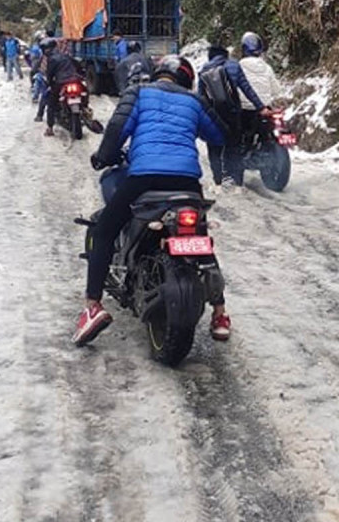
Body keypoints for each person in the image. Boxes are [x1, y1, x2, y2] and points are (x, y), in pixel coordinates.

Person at [75, 54, 233, 346]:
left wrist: (104, 157)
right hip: (186, 183)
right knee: (200, 240)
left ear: (157, 73)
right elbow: (219, 135)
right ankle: (220, 313)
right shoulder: (194, 101)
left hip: (144, 178)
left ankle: (93, 307)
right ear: (186, 79)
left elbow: (117, 130)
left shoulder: (139, 93)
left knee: (104, 230)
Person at [199, 43, 266, 188]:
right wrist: (260, 107)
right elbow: (247, 89)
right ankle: (237, 181)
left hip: (213, 114)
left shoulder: (205, 69)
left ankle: (218, 180)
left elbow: (201, 97)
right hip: (233, 113)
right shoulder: (234, 66)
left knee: (214, 148)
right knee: (234, 147)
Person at [237, 31, 284, 147]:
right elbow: (276, 90)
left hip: (244, 109)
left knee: (237, 136)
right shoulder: (267, 68)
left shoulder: (238, 66)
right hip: (265, 110)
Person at [35, 38, 80, 136]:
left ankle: (50, 128)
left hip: (61, 82)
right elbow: (78, 66)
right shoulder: (66, 56)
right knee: (83, 94)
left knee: (51, 104)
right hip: (75, 80)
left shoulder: (51, 59)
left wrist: (49, 84)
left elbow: (50, 74)